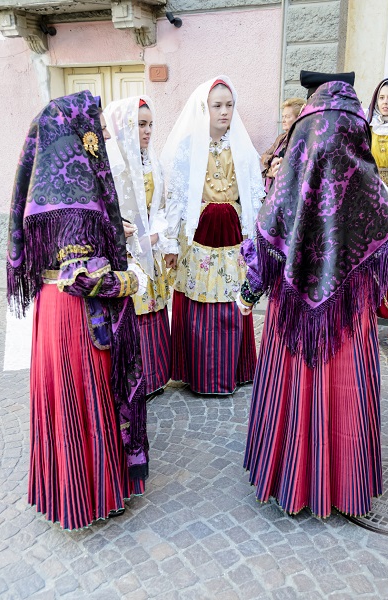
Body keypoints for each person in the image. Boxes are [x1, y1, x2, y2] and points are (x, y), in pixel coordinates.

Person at [238, 71, 388, 518]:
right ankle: (344, 486)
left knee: (296, 382)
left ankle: (291, 477)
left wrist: (249, 290)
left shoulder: (298, 152)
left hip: (294, 306)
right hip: (350, 312)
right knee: (346, 383)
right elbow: (387, 229)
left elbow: (269, 230)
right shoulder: (366, 171)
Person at [6, 90, 149, 530]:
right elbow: (83, 277)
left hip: (52, 311)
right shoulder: (75, 184)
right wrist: (133, 279)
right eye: (97, 125)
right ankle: (94, 496)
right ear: (75, 134)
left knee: (65, 400)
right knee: (87, 399)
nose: (104, 132)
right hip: (77, 316)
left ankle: (68, 491)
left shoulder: (48, 182)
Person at [161, 76, 264, 395]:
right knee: (199, 304)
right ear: (203, 108)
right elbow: (176, 198)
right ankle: (199, 373)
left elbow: (251, 196)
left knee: (232, 300)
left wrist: (255, 241)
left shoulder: (243, 148)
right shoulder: (188, 147)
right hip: (198, 233)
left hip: (232, 231)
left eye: (229, 105)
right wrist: (169, 241)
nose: (224, 111)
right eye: (217, 105)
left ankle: (233, 370)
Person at [104, 96, 171, 397]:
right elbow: (104, 212)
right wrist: (126, 233)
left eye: (150, 124)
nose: (147, 131)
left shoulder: (150, 160)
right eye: (140, 125)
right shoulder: (111, 166)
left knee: (153, 311)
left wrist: (156, 235)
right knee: (135, 312)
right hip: (126, 253)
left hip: (149, 249)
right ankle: (135, 383)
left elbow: (160, 205)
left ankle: (155, 378)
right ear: (126, 127)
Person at [367, 78, 388, 323]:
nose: (385, 103)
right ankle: (373, 303)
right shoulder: (368, 126)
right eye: (382, 98)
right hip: (372, 194)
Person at [261, 97, 305, 192]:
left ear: (299, 118)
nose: (283, 120)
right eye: (283, 116)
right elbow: (264, 156)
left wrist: (279, 170)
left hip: (285, 193)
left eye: (288, 117)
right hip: (270, 192)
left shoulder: (302, 140)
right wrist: (273, 160)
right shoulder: (281, 137)